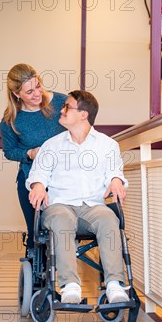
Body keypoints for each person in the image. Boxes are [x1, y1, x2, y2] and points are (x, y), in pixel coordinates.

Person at [26, 90, 130, 304]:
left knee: (109, 219)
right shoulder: (51, 145)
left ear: (83, 114)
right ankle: (70, 285)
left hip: (93, 206)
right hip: (59, 206)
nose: (61, 111)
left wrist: (116, 181)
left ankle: (114, 285)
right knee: (62, 220)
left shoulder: (107, 145)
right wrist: (37, 186)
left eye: (67, 107)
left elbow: (115, 172)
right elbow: (39, 174)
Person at [0, 64, 67, 252]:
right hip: (30, 178)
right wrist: (29, 154)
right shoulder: (11, 120)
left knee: (62, 228)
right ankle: (35, 278)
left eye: (38, 86)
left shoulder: (62, 102)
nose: (37, 94)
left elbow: (82, 126)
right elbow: (10, 151)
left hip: (64, 178)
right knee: (36, 232)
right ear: (16, 93)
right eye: (29, 91)